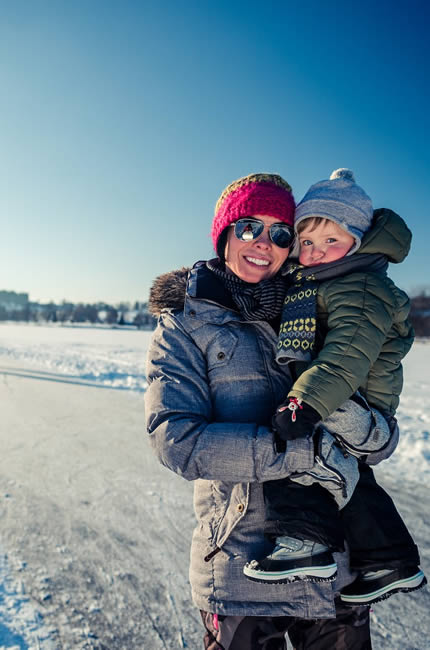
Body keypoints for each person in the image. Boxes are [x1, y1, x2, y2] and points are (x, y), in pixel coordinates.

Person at [145, 173, 386, 649]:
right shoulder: (184, 326)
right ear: (225, 233)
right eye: (250, 226)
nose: (264, 243)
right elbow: (177, 441)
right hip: (240, 572)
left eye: (281, 234)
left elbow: (378, 439)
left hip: (334, 570)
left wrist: (360, 428)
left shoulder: (321, 315)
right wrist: (297, 454)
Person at [243, 169, 426, 606]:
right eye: (307, 242)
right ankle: (390, 560)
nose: (316, 252)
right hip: (345, 391)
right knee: (351, 474)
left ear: (357, 242)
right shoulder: (326, 280)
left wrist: (305, 401)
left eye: (331, 241)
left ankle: (305, 546)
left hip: (354, 397)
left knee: (299, 454)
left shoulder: (360, 286)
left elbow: (346, 352)